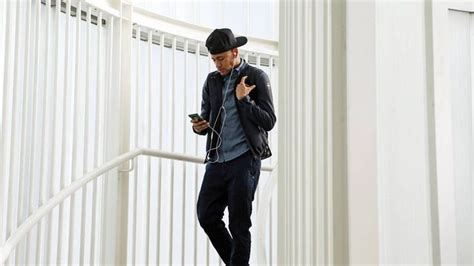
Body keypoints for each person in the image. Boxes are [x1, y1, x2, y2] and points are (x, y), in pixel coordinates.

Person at [191, 28, 276, 266]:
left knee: (239, 224)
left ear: (235, 52)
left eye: (220, 58)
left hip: (244, 159)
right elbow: (208, 116)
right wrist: (200, 126)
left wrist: (244, 100)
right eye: (214, 59)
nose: (217, 64)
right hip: (217, 160)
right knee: (206, 215)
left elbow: (269, 120)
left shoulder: (256, 77)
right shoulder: (212, 81)